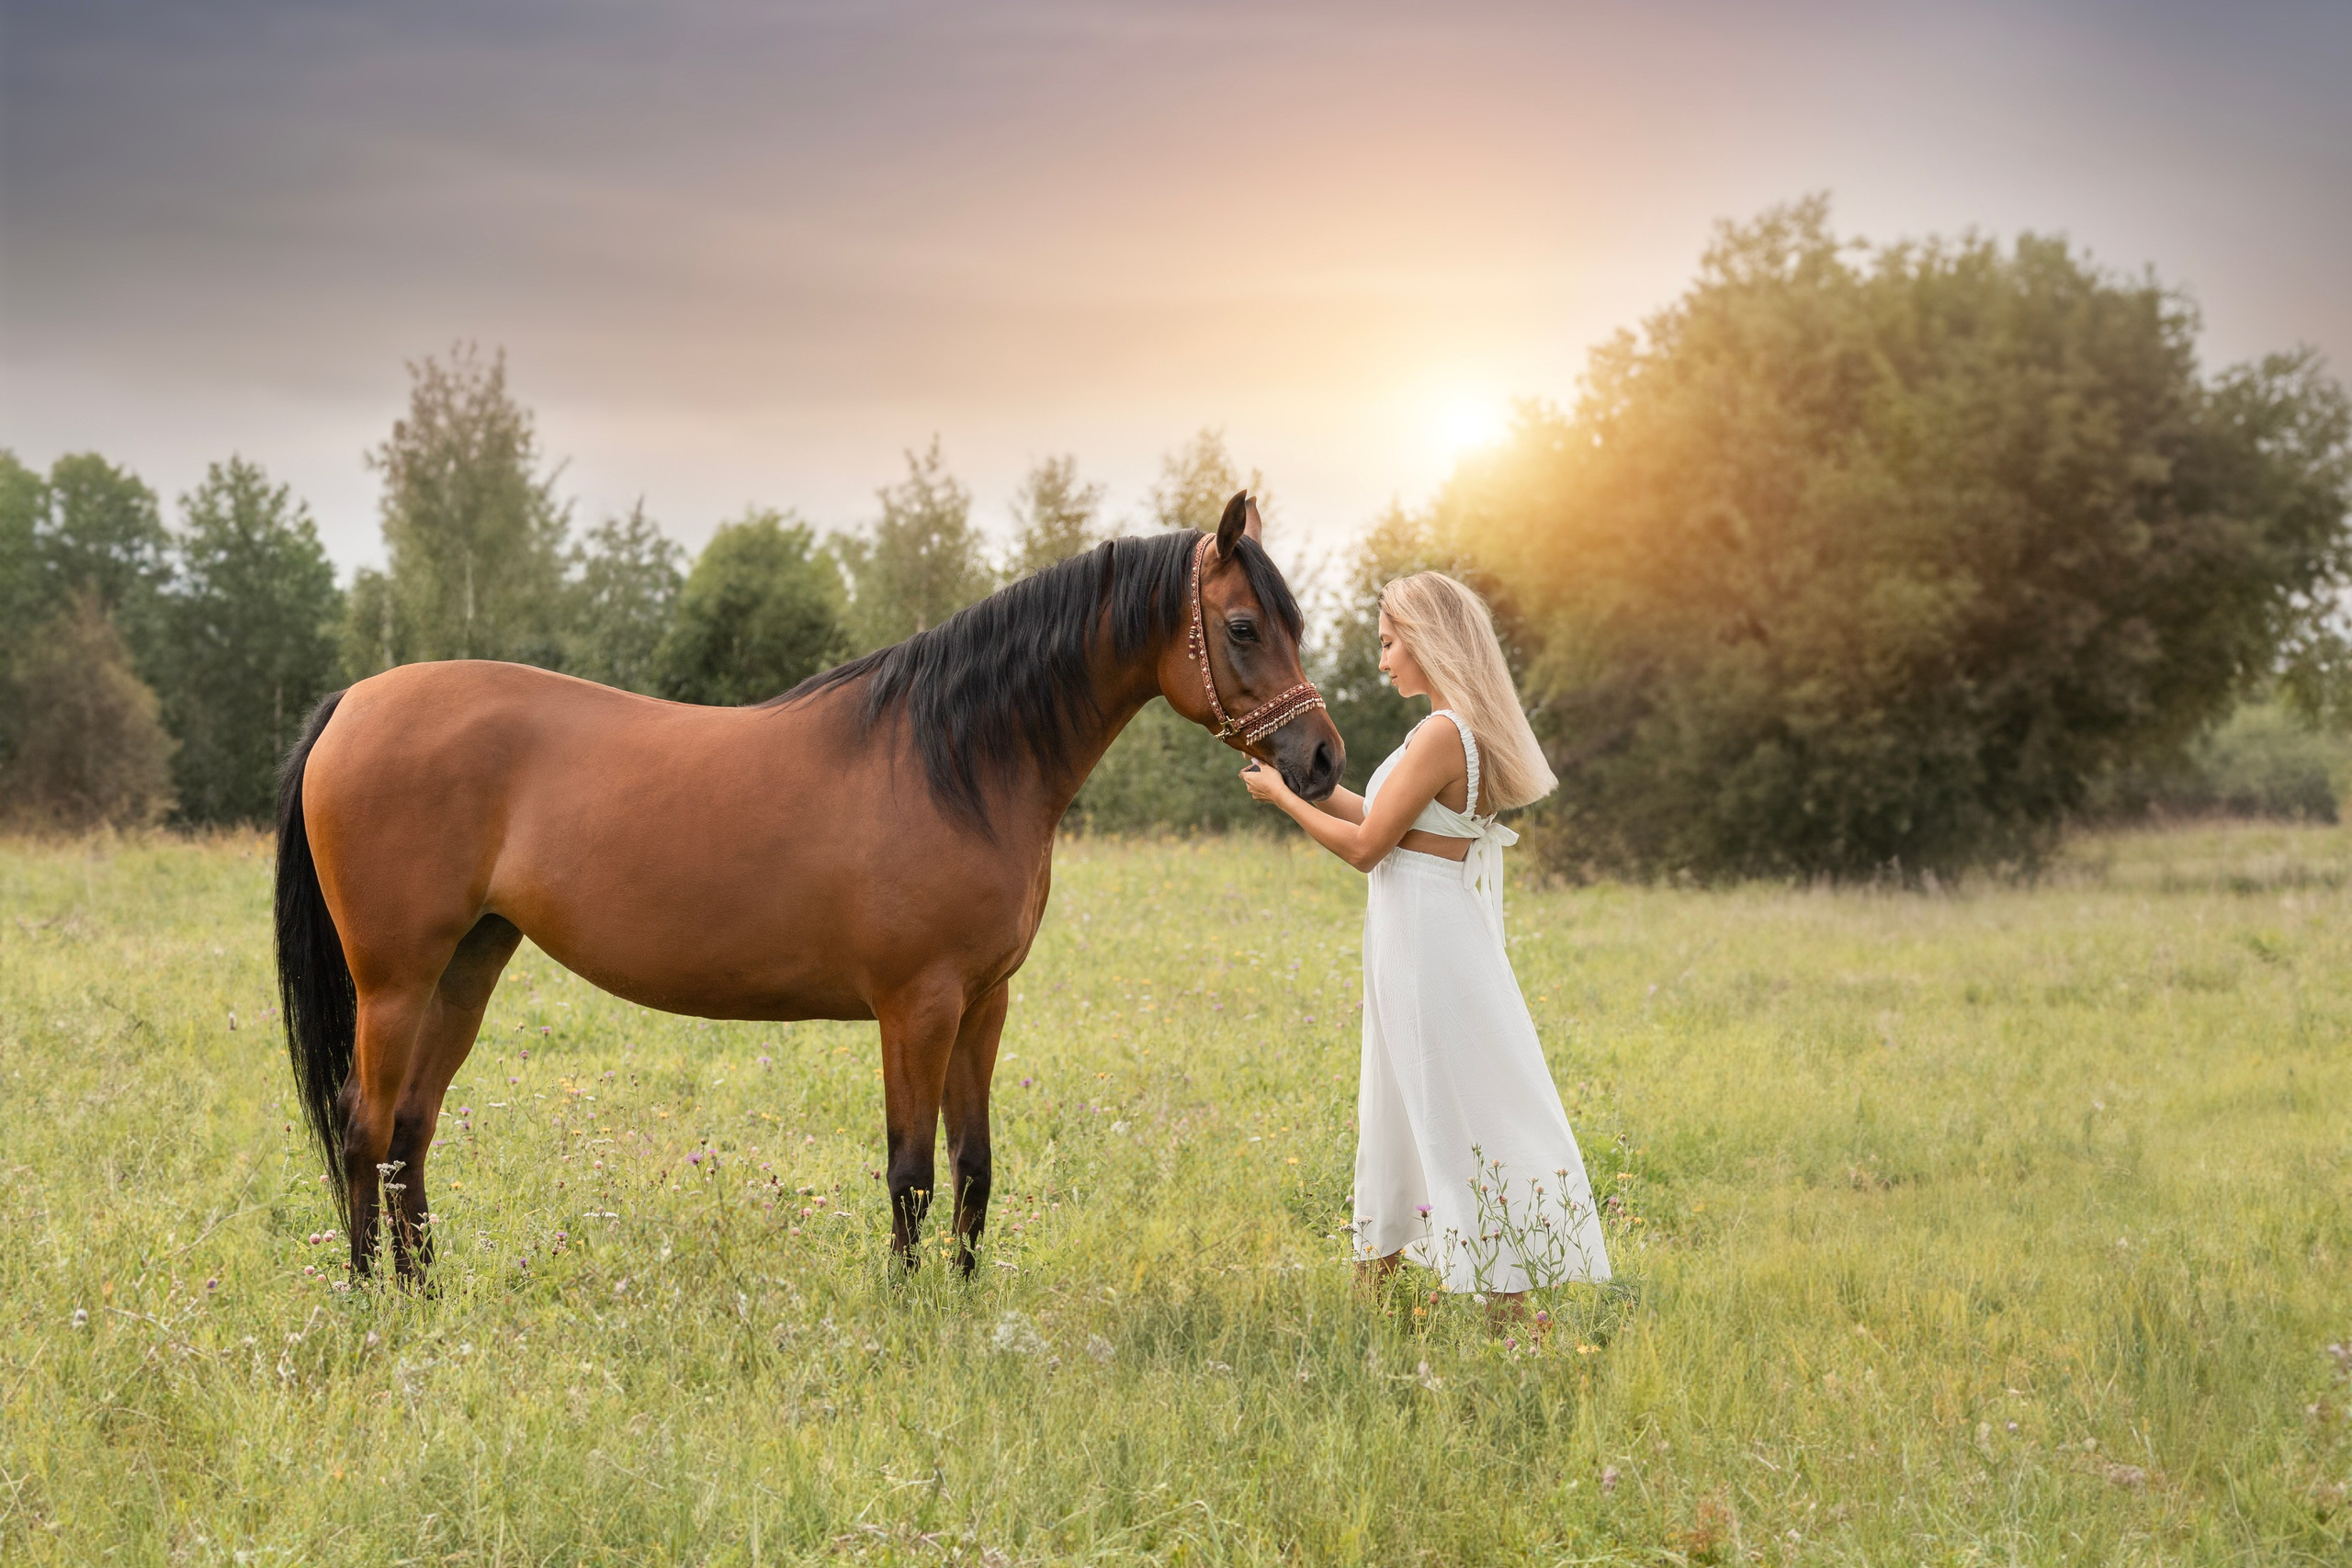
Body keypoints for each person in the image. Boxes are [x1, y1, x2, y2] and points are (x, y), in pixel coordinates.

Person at [1240, 571, 1609, 1310]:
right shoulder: (1455, 729)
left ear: (1425, 638)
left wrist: (1283, 800)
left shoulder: (1445, 733)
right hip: (1423, 927)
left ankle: (1494, 1293)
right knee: (1413, 1097)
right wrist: (1291, 774)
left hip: (1425, 937)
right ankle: (1393, 1281)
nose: (1381, 661)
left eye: (1387, 642)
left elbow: (1367, 846)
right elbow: (1381, 814)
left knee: (1438, 1101)